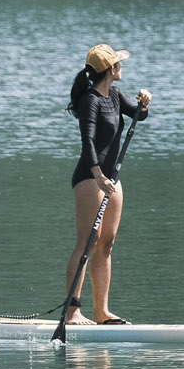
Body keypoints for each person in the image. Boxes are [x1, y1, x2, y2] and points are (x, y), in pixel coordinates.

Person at [64, 43, 151, 325]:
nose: (122, 66)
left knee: (107, 244)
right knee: (87, 243)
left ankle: (101, 312)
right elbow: (87, 141)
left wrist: (144, 104)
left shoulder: (113, 94)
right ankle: (72, 311)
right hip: (91, 177)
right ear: (111, 69)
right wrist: (99, 175)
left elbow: (138, 114)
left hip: (112, 178)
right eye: (119, 62)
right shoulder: (90, 100)